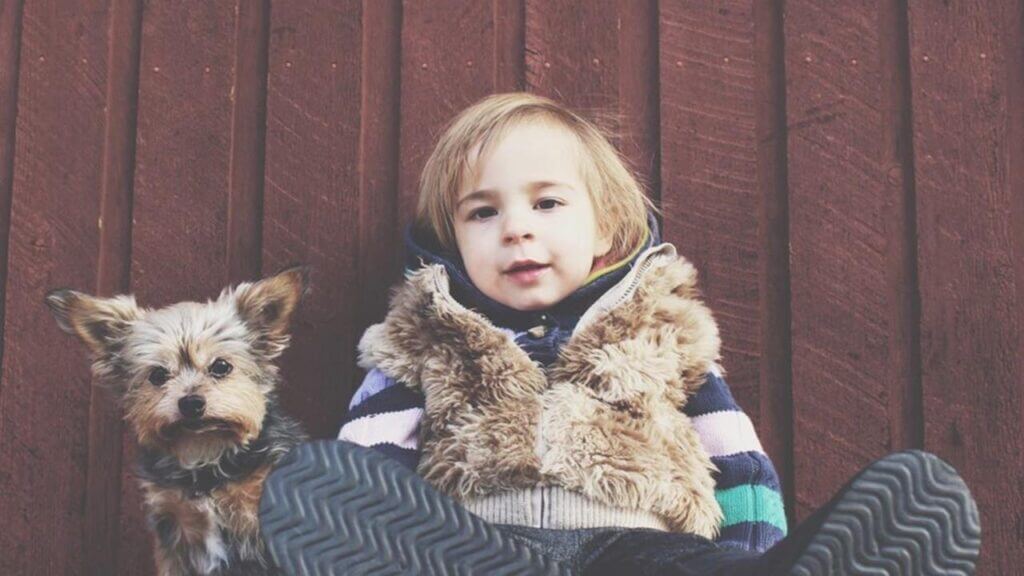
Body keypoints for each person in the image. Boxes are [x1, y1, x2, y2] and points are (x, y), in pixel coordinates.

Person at [258, 93, 980, 575]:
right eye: (482, 214)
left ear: (604, 227)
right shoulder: (424, 338)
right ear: (448, 243)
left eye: (546, 202)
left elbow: (739, 465)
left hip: (631, 544)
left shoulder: (660, 333)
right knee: (340, 493)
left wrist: (750, 552)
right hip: (478, 543)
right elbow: (361, 475)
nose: (516, 227)